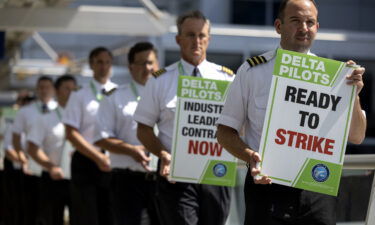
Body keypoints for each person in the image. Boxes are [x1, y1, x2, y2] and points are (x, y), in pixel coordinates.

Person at [216, 1, 367, 225]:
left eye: (310, 22)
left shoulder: (336, 77)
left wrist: (353, 94)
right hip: (267, 188)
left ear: (317, 27)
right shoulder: (252, 71)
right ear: (279, 26)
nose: (304, 28)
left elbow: (356, 136)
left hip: (317, 188)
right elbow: (224, 132)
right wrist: (250, 157)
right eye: (296, 21)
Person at [134, 10, 234, 225]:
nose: (196, 41)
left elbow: (238, 125)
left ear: (209, 39)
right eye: (190, 35)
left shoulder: (227, 79)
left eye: (201, 35)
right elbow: (143, 128)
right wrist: (163, 154)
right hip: (176, 176)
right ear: (178, 39)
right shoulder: (160, 81)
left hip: (216, 173)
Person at [94, 42, 160, 225]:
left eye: (150, 63)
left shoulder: (171, 96)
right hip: (128, 181)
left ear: (157, 64)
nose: (147, 68)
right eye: (141, 63)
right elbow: (101, 137)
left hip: (163, 181)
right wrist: (132, 150)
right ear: (131, 67)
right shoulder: (114, 97)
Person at [62, 47, 116, 225]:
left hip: (112, 160)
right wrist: (97, 156)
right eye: (99, 62)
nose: (104, 66)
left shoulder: (118, 92)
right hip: (86, 160)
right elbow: (71, 132)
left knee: (110, 214)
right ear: (91, 65)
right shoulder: (79, 94)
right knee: (86, 216)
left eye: (107, 62)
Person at [27, 75, 77, 225]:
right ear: (56, 91)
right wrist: (51, 167)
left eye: (73, 89)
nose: (70, 93)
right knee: (52, 218)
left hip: (78, 177)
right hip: (53, 178)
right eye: (66, 89)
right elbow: (33, 148)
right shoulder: (45, 119)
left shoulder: (82, 117)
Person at [12, 76, 57, 225]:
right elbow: (16, 136)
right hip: (31, 166)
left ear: (53, 90)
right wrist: (20, 155)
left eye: (48, 87)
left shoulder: (60, 111)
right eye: (41, 87)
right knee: (31, 206)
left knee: (53, 207)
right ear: (37, 90)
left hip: (54, 165)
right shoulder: (26, 111)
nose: (44, 90)